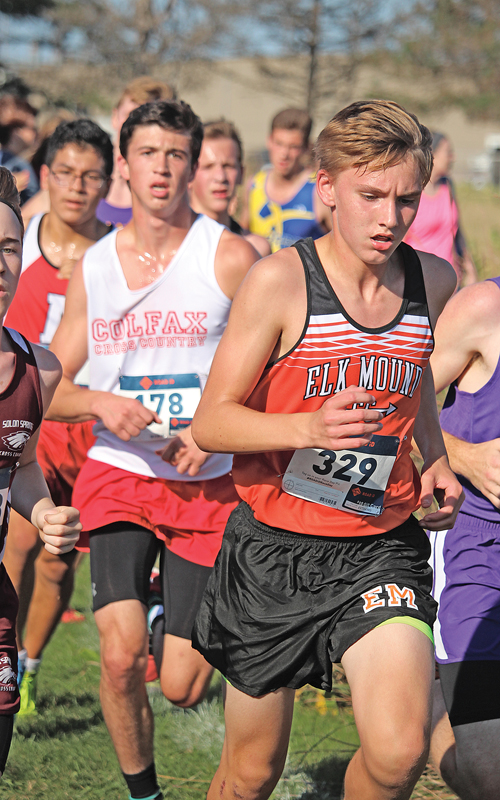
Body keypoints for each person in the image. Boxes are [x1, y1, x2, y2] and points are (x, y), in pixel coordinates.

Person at [190, 99, 464, 800]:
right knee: (251, 774)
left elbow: (416, 385)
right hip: (274, 550)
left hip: (380, 541)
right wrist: (305, 429)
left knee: (401, 753)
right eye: (370, 195)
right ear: (328, 189)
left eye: (406, 199)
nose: (388, 216)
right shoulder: (281, 282)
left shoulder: (432, 283)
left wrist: (432, 456)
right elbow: (212, 423)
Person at [47, 100, 259, 800]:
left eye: (175, 155)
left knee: (180, 684)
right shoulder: (97, 265)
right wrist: (101, 403)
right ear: (124, 164)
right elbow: (51, 383)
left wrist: (209, 429)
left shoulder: (228, 256)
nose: (162, 168)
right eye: (148, 153)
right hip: (119, 472)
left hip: (207, 484)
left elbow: (279, 367)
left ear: (194, 166)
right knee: (116, 656)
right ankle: (145, 795)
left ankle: (183, 621)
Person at [3, 118, 113, 715]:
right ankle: (8, 661)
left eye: (91, 175)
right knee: (17, 544)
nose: (77, 187)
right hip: (28, 423)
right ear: (46, 175)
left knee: (56, 561)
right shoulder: (17, 239)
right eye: (65, 173)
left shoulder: (117, 256)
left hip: (90, 433)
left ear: (107, 182)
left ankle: (31, 664)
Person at [0, 165, 81, 775]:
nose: (0, 264)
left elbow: (20, 464)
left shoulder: (39, 370)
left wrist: (45, 509)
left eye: (8, 248)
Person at [427, 277, 500, 800]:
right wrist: (467, 456)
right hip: (477, 546)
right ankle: (421, 707)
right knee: (487, 774)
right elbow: (396, 405)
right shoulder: (484, 307)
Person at [241, 107, 330, 252]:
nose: (284, 154)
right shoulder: (253, 185)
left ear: (307, 148)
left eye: (293, 147)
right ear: (268, 140)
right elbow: (243, 238)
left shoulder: (319, 190)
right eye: (279, 143)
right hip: (262, 273)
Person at [96, 76, 175, 228]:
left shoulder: (168, 180)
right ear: (115, 117)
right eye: (130, 116)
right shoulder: (86, 170)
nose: (136, 126)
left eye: (148, 119)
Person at [404, 132, 477, 288]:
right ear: (432, 155)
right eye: (448, 153)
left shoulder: (448, 186)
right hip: (419, 280)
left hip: (449, 279)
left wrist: (470, 268)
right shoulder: (412, 191)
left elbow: (457, 232)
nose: (453, 157)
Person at [190, 119, 270, 257]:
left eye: (229, 166)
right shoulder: (170, 246)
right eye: (208, 167)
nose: (221, 177)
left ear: (242, 173)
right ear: (189, 173)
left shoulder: (256, 249)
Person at [0, 95, 39, 204]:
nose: (36, 134)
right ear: (15, 130)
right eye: (32, 128)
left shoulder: (21, 162)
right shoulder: (18, 165)